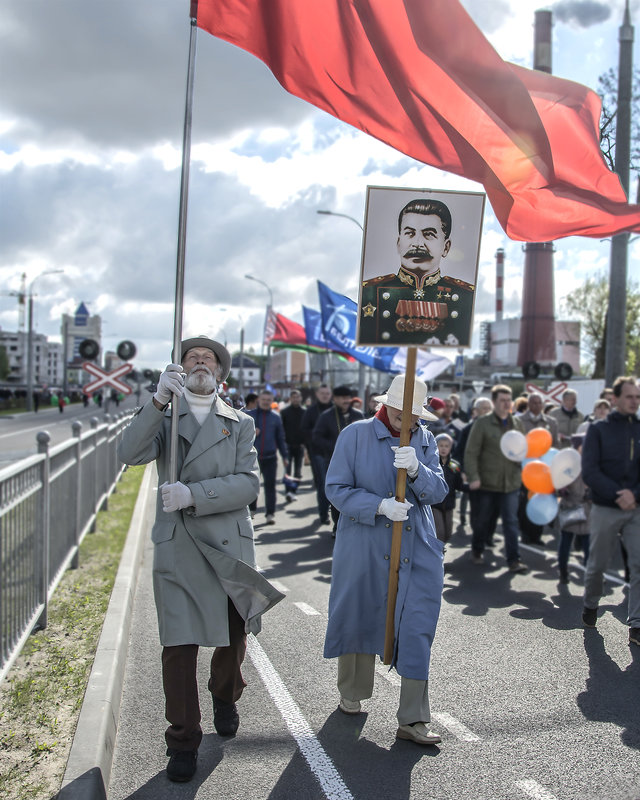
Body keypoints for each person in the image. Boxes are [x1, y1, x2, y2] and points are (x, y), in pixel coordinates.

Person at [117, 335, 283, 783]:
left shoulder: (241, 422)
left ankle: (225, 695)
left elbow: (249, 484)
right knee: (178, 648)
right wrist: (155, 401)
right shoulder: (166, 417)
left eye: (209, 358)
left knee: (232, 642)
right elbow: (128, 454)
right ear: (179, 369)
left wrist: (193, 493)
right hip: (180, 547)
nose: (200, 362)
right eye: (192, 357)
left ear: (221, 374)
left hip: (226, 545)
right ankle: (183, 739)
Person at [324, 374, 448, 745]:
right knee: (360, 614)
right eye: (398, 408)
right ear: (385, 404)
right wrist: (377, 505)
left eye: (411, 412)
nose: (403, 417)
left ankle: (413, 719)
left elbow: (438, 491)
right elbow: (336, 488)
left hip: (417, 546)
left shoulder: (424, 438)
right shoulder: (355, 434)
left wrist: (416, 470)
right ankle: (352, 692)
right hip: (363, 543)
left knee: (417, 626)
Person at [359, 198, 474, 347]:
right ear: (399, 244)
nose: (418, 243)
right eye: (410, 233)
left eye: (429, 234)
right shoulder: (370, 292)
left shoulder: (465, 296)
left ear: (446, 247)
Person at [580, 376, 640, 647]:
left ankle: (636, 623)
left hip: (636, 508)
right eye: (629, 397)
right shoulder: (598, 429)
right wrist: (618, 494)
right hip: (606, 506)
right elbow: (590, 471)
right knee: (598, 566)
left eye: (637, 397)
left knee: (638, 565)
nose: (634, 401)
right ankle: (591, 603)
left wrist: (634, 495)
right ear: (615, 399)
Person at [464, 384, 528, 573]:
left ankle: (513, 560)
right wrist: (473, 477)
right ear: (494, 402)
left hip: (511, 483)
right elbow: (471, 452)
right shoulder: (482, 423)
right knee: (483, 520)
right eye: (502, 400)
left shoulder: (517, 424)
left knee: (511, 522)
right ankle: (477, 549)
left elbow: (521, 451)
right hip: (487, 483)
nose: (506, 404)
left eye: (509, 400)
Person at [312, 386, 364, 531]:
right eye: (342, 397)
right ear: (334, 399)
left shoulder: (358, 415)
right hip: (333, 461)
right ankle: (337, 524)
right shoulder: (326, 416)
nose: (345, 400)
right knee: (338, 494)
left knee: (355, 493)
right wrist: (335, 445)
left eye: (348, 397)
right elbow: (316, 437)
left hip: (356, 463)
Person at [517, 392, 559, 545]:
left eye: (539, 402)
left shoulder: (551, 422)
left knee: (542, 499)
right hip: (526, 469)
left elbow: (555, 445)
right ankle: (525, 533)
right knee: (525, 502)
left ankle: (537, 535)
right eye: (533, 402)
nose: (536, 405)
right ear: (528, 404)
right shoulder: (520, 421)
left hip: (544, 469)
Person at [245, 389, 288, 525]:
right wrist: (251, 433)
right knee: (252, 485)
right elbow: (239, 436)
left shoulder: (275, 418)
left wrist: (285, 456)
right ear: (259, 400)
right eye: (263, 399)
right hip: (252, 458)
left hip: (270, 457)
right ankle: (251, 510)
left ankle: (270, 513)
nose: (265, 402)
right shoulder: (248, 416)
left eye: (268, 400)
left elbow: (280, 438)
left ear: (272, 401)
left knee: (270, 487)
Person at [557, 434, 590, 584]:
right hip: (574, 506)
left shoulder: (570, 463)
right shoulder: (579, 463)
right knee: (569, 541)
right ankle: (564, 571)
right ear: (577, 446)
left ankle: (590, 575)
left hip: (581, 507)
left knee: (586, 544)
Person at [301, 384, 334, 524]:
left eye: (327, 393)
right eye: (323, 393)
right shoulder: (311, 411)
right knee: (323, 484)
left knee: (337, 484)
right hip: (318, 453)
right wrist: (315, 440)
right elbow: (304, 429)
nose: (325, 395)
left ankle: (336, 517)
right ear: (317, 394)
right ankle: (323, 513)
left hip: (335, 453)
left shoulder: (336, 410)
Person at [431, 433, 464, 544]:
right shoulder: (432, 463)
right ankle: (437, 557)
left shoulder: (454, 465)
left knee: (448, 534)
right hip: (435, 504)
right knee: (439, 533)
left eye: (447, 446)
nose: (444, 448)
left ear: (451, 448)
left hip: (449, 504)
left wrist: (471, 486)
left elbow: (459, 485)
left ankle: (440, 552)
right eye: (441, 445)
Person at [280, 389, 305, 479]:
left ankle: (295, 487)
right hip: (287, 444)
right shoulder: (284, 412)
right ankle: (289, 489)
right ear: (290, 398)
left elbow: (306, 429)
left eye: (297, 397)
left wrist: (305, 443)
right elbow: (281, 428)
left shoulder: (305, 412)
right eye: (293, 397)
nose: (295, 399)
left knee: (298, 470)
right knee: (288, 469)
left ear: (301, 398)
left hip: (300, 445)